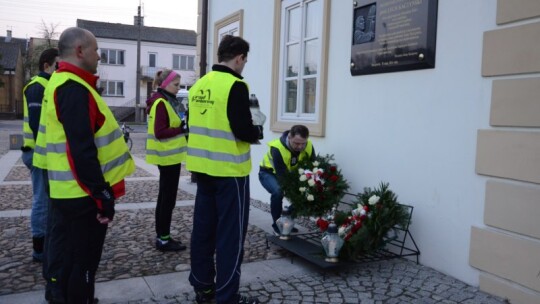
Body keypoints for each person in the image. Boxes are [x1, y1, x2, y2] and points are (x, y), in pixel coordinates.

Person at [43, 27, 135, 303]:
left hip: (71, 192)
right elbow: (80, 150)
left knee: (71, 257)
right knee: (83, 262)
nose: (99, 55)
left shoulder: (69, 83)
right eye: (96, 49)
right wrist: (101, 194)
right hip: (81, 195)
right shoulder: (72, 88)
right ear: (80, 51)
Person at [186, 35, 263, 304]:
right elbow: (243, 130)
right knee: (230, 237)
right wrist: (257, 130)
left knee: (203, 232)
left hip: (202, 170)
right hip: (230, 172)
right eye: (245, 61)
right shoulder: (236, 86)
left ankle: (203, 287)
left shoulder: (198, 85)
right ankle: (227, 296)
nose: (244, 66)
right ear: (239, 58)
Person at [21, 47, 58, 263]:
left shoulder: (48, 84)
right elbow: (37, 125)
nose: (60, 69)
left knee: (46, 200)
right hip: (36, 153)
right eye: (57, 66)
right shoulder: (37, 86)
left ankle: (46, 243)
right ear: (47, 65)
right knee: (42, 201)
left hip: (40, 152)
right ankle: (40, 249)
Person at [146, 68, 188, 252]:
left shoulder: (166, 100)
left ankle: (162, 236)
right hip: (168, 157)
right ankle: (163, 239)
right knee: (167, 200)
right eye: (176, 85)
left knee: (165, 198)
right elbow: (160, 132)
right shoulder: (161, 103)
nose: (179, 88)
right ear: (165, 84)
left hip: (170, 157)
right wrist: (183, 130)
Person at [259, 125, 315, 235]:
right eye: (296, 143)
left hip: (290, 174)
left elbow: (312, 166)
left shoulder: (308, 146)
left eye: (303, 143)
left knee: (307, 192)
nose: (300, 146)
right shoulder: (277, 148)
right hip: (268, 173)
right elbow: (282, 176)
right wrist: (295, 191)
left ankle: (286, 221)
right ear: (289, 137)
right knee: (278, 191)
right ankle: (277, 225)